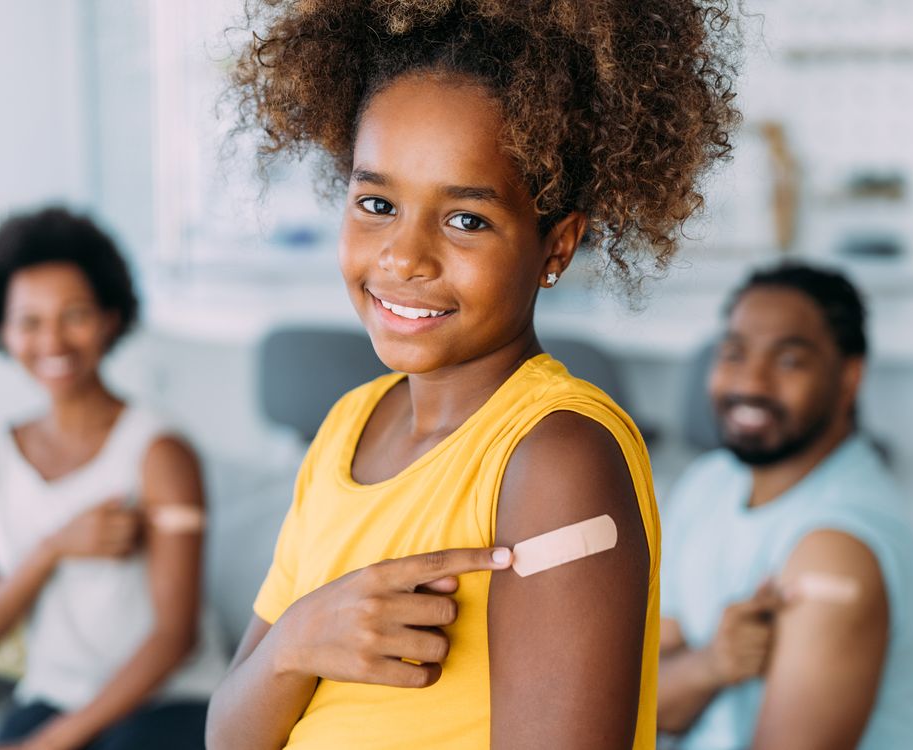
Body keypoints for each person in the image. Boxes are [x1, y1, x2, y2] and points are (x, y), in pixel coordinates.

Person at [205, 2, 739, 748]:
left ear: (557, 246)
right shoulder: (345, 427)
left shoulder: (557, 462)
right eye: (377, 203)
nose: (403, 257)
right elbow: (229, 734)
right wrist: (299, 640)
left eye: (466, 220)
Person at [657, 263, 913, 749]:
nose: (750, 383)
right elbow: (646, 701)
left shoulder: (837, 547)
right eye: (733, 353)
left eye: (789, 361)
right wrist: (711, 664)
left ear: (848, 378)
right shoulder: (706, 484)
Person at [0, 208, 228, 750]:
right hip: (51, 697)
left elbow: (174, 636)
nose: (53, 341)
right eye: (29, 321)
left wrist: (54, 743)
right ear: (3, 329)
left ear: (111, 317)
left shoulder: (160, 453)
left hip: (169, 699)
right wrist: (53, 548)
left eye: (75, 315)